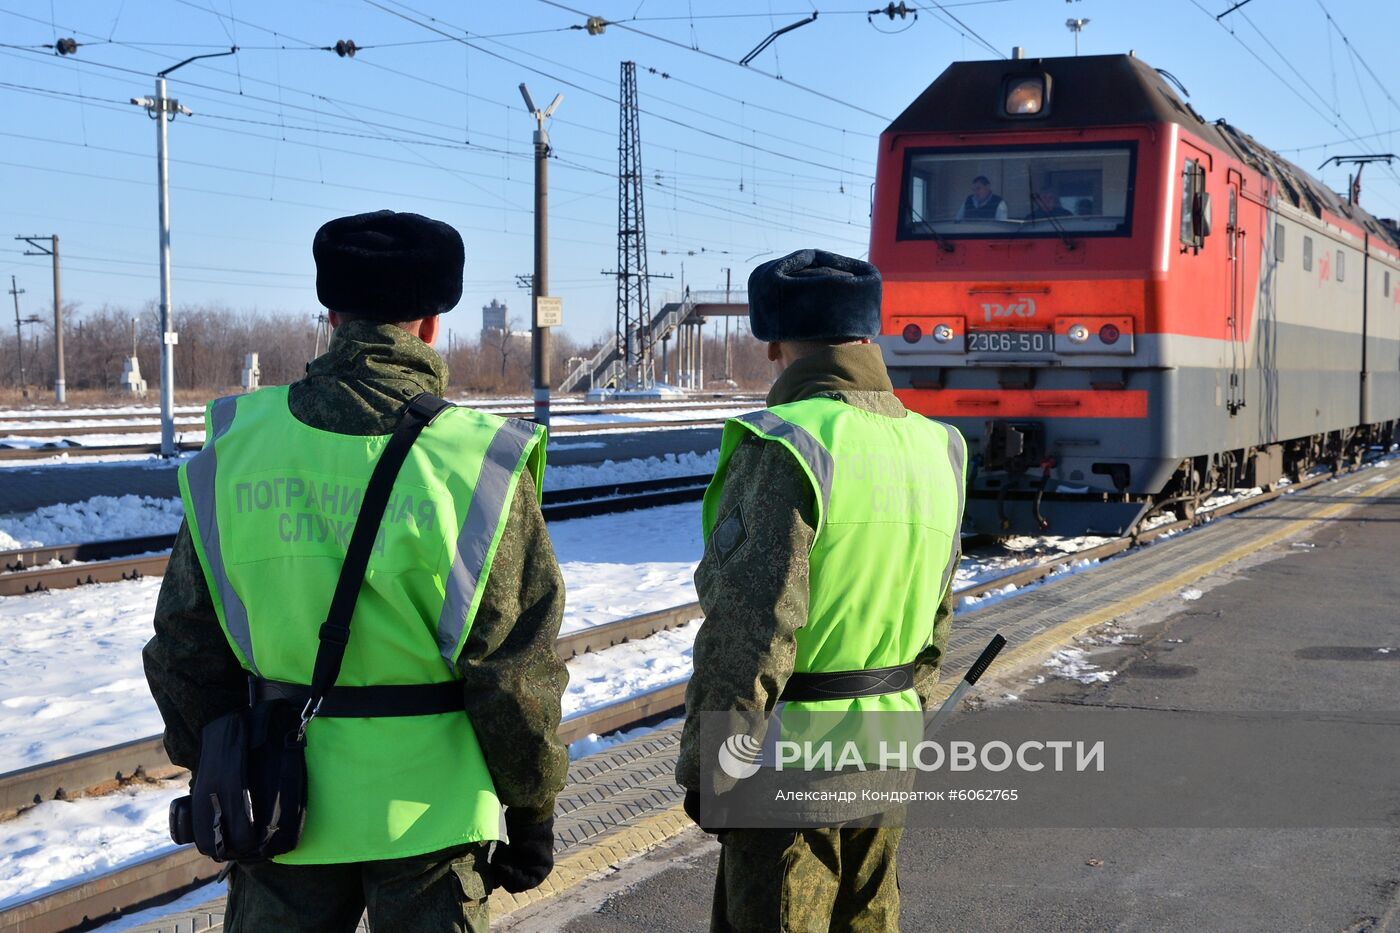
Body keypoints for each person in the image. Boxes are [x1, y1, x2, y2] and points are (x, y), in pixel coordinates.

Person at [143, 210, 569, 933]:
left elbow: (184, 643)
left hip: (280, 808)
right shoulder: (477, 461)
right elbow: (514, 671)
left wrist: (218, 761)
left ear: (332, 313)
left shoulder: (239, 445)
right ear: (432, 324)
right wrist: (531, 806)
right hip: (432, 822)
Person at [675, 249, 967, 932]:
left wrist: (711, 766)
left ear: (774, 342)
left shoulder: (790, 444)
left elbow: (752, 629)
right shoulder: (938, 446)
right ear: (869, 333)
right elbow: (937, 622)